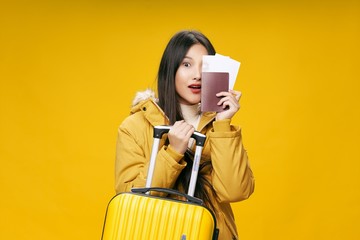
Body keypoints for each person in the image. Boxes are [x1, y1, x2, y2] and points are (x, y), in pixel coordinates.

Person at [115, 30, 255, 240]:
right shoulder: (135, 126)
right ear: (170, 70)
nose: (197, 75)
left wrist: (223, 123)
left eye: (204, 66)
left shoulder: (219, 127)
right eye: (186, 64)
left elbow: (235, 191)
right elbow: (129, 197)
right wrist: (172, 153)